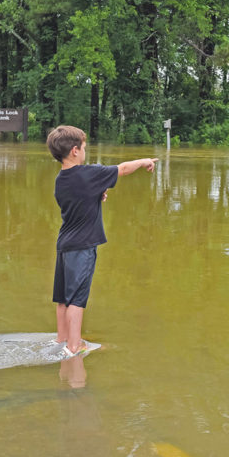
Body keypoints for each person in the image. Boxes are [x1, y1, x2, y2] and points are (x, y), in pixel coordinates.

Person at [47, 125, 157, 358]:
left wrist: (96, 195)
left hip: (64, 244)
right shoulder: (89, 174)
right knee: (77, 298)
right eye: (84, 148)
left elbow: (80, 197)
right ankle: (75, 347)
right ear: (75, 150)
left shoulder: (61, 179)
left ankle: (61, 340)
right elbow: (124, 169)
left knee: (62, 298)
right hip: (83, 245)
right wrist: (145, 160)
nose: (86, 151)